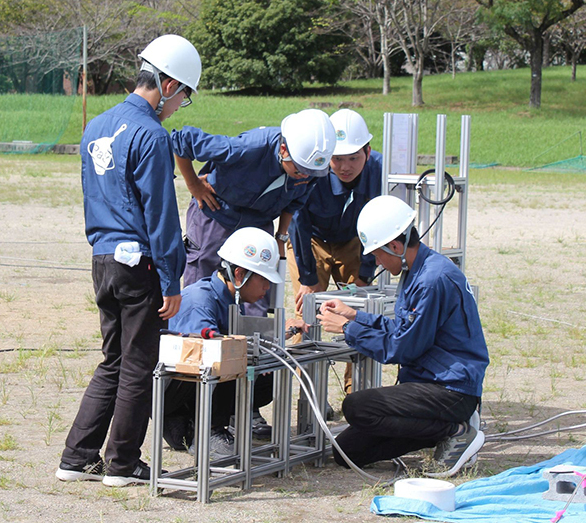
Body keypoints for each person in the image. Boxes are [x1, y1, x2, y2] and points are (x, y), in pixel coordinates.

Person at [55, 34, 201, 487]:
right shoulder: (151, 134)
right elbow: (159, 213)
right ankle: (122, 463)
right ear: (170, 83)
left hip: (102, 258)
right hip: (138, 262)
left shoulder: (96, 125)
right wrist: (173, 277)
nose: (180, 106)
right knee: (139, 362)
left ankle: (76, 458)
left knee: (113, 360)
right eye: (185, 97)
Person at [317, 195, 488, 477]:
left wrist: (348, 330)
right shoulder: (416, 271)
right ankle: (443, 429)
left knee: (357, 406)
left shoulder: (433, 279)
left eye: (376, 254)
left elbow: (402, 348)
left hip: (451, 388)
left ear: (395, 246)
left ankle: (456, 429)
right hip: (429, 383)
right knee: (346, 452)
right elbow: (403, 329)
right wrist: (355, 315)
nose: (377, 261)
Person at [162, 227, 302, 456]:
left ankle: (219, 423)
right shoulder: (200, 301)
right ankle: (210, 432)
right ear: (239, 274)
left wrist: (279, 335)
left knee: (266, 376)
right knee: (225, 357)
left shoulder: (228, 298)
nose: (267, 288)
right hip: (174, 399)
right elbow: (206, 358)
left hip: (191, 392)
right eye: (264, 280)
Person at [171, 109, 337, 300]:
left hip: (259, 223)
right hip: (216, 214)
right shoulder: (248, 148)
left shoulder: (311, 169)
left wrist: (281, 237)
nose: (306, 176)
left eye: (312, 172)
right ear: (284, 150)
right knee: (202, 289)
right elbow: (182, 140)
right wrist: (193, 184)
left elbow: (295, 202)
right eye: (300, 170)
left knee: (255, 294)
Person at [287, 109, 382, 392]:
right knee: (309, 312)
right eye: (338, 158)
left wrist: (365, 272)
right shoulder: (312, 168)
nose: (345, 166)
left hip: (355, 240)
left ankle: (356, 390)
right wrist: (307, 278)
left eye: (354, 157)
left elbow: (377, 225)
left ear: (368, 150)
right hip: (311, 240)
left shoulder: (378, 171)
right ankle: (310, 395)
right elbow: (298, 222)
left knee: (357, 312)